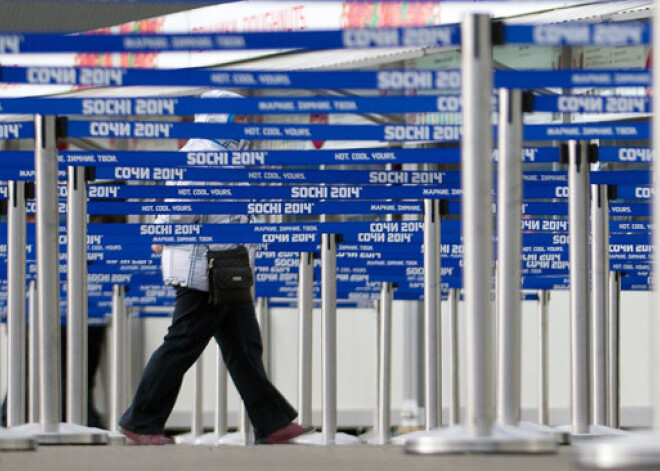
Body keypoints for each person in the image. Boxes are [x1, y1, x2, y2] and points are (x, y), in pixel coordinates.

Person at [118, 90, 313, 445]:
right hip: (204, 268)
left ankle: (272, 422)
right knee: (182, 344)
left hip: (224, 267)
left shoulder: (224, 155)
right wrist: (164, 230)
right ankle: (141, 421)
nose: (243, 126)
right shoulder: (204, 154)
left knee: (244, 345)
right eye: (236, 118)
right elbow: (185, 203)